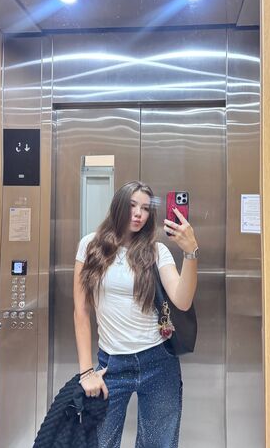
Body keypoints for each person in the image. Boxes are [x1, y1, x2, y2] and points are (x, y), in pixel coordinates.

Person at [73, 181, 199, 448]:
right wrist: (86, 372)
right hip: (111, 365)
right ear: (118, 206)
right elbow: (81, 311)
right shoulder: (90, 246)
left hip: (158, 362)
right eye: (132, 206)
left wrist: (190, 253)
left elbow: (182, 300)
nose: (138, 214)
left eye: (145, 208)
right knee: (100, 443)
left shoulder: (157, 251)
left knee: (158, 444)